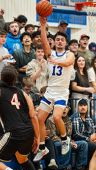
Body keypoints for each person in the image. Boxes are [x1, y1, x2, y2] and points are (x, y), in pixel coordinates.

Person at [36, 17, 75, 159]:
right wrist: (43, 24)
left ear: (65, 43)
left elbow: (68, 62)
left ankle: (65, 139)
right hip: (50, 90)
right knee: (39, 119)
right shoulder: (50, 53)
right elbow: (44, 40)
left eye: (62, 40)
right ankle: (41, 147)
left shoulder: (69, 54)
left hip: (62, 92)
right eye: (57, 39)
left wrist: (55, 61)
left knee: (57, 117)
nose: (59, 41)